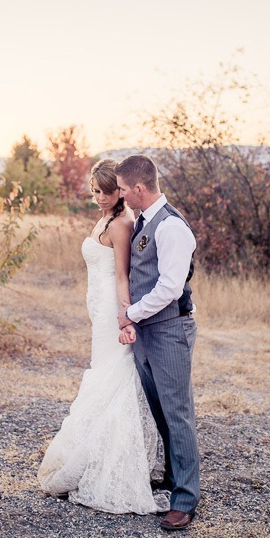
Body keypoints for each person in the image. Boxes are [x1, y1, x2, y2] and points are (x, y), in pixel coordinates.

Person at [37, 158, 166, 514]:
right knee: (105, 373)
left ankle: (114, 459)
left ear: (119, 192)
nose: (97, 197)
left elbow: (124, 275)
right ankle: (94, 448)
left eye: (104, 192)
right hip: (98, 306)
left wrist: (125, 317)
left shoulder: (122, 224)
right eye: (94, 191)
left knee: (116, 376)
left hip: (113, 307)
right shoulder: (106, 217)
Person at [115, 154, 200, 531]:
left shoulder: (171, 228)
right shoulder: (144, 222)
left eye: (121, 188)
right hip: (148, 332)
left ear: (138, 188)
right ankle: (171, 476)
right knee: (160, 409)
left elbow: (168, 287)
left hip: (169, 330)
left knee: (178, 412)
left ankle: (185, 499)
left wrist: (131, 314)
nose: (119, 195)